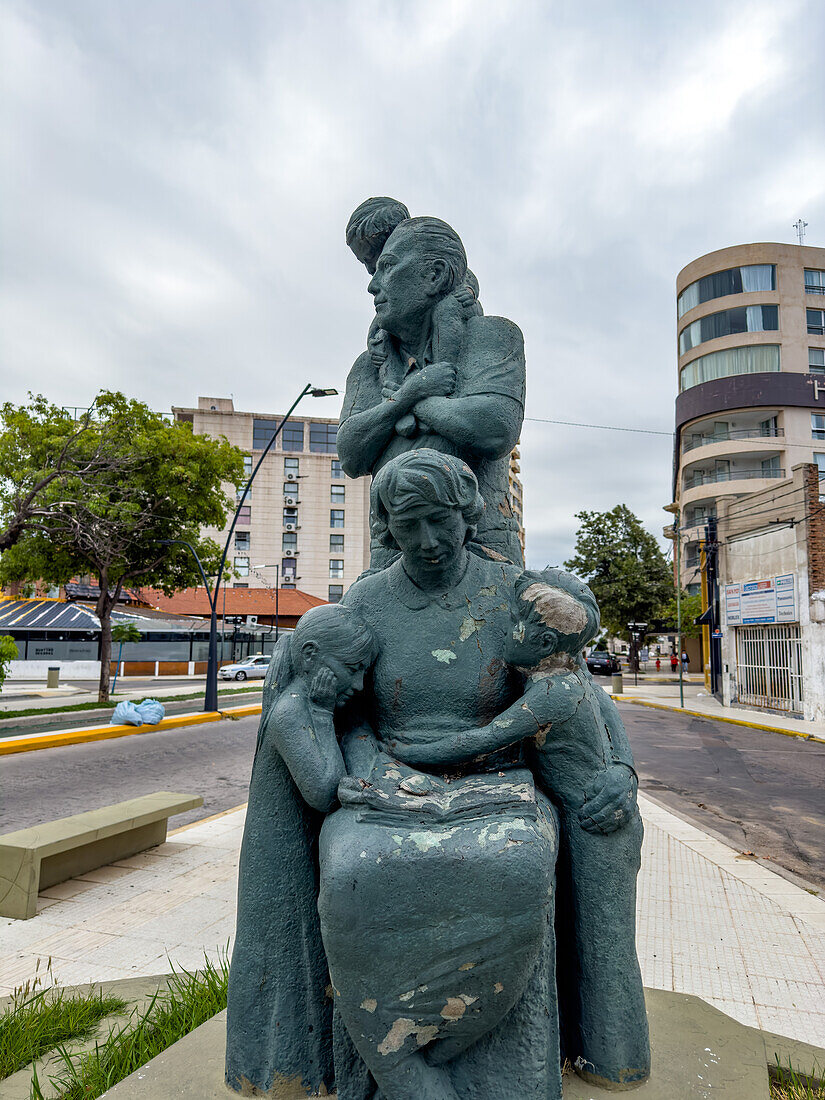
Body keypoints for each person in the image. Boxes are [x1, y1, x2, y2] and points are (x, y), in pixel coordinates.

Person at [385, 567, 650, 1089]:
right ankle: (601, 1050)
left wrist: (406, 752)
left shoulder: (552, 691)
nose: (507, 626)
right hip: (583, 824)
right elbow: (608, 718)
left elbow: (480, 740)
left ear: (546, 641)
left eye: (519, 621)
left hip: (598, 831)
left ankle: (617, 1061)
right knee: (584, 938)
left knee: (604, 944)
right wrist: (623, 767)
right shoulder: (567, 673)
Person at [225, 604, 377, 1097]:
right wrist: (324, 721)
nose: (357, 684)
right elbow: (322, 787)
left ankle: (305, 1068)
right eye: (351, 669)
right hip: (280, 857)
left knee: (306, 955)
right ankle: (277, 1073)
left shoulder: (310, 708)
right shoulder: (294, 712)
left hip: (296, 850)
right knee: (285, 956)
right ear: (311, 657)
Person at [337, 214, 525, 566]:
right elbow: (351, 454)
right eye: (372, 268)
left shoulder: (490, 336)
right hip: (393, 558)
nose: (372, 285)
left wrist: (410, 402)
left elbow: (493, 428)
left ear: (435, 274)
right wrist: (408, 397)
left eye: (387, 267)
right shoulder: (369, 365)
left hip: (481, 551)